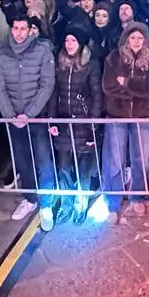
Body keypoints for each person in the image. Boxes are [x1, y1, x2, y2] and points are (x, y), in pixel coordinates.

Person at [0, 12, 58, 229]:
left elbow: (46, 85)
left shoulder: (42, 50)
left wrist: (29, 114)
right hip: (14, 119)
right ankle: (29, 198)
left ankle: (47, 204)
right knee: (22, 161)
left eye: (23, 28)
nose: (19, 33)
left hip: (36, 117)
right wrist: (11, 116)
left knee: (44, 162)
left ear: (30, 30)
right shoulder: (3, 54)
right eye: (16, 28)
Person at [101, 21, 149, 223]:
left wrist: (125, 83)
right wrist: (135, 90)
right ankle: (113, 202)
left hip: (142, 116)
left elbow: (148, 89)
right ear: (126, 39)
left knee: (140, 159)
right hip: (117, 115)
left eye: (140, 38)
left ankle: (137, 196)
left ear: (145, 40)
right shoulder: (113, 58)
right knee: (115, 161)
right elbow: (108, 86)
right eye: (132, 37)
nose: (136, 41)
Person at [51, 26, 103, 218]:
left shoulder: (92, 65)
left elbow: (97, 95)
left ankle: (80, 204)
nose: (70, 44)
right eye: (67, 40)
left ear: (81, 44)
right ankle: (66, 203)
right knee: (63, 167)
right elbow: (54, 93)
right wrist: (52, 121)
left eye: (73, 41)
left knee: (83, 169)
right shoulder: (60, 64)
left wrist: (93, 126)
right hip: (64, 122)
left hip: (83, 122)